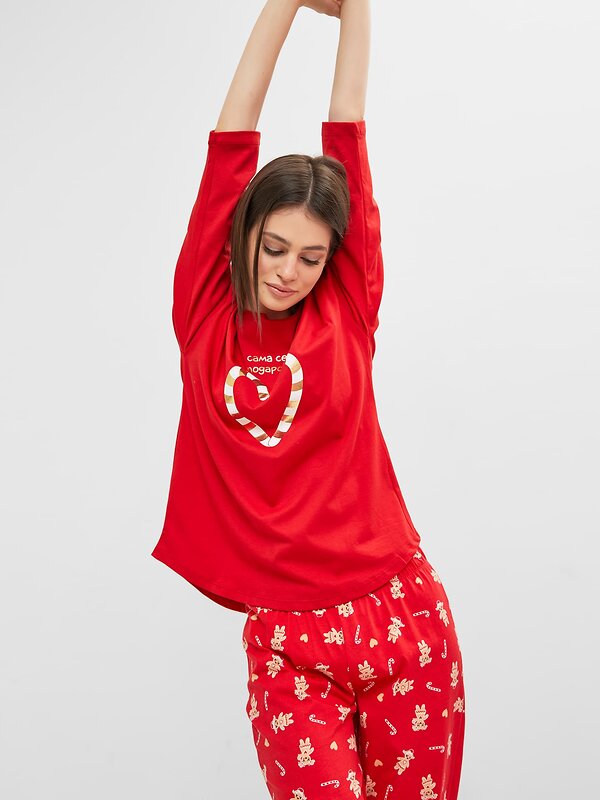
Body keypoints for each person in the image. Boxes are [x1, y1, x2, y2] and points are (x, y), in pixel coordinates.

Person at [151, 1, 466, 797]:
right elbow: (230, 142)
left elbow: (347, 131)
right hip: (287, 640)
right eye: (275, 247)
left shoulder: (347, 310)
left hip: (402, 617)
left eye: (312, 257)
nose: (290, 271)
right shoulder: (205, 314)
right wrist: (283, 2)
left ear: (334, 261)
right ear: (244, 237)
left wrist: (356, 8)